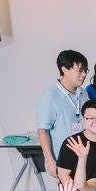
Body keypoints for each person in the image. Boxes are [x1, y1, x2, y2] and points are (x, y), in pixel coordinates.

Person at [37, 49, 89, 180]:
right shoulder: (50, 97)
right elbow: (43, 130)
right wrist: (49, 160)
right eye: (80, 70)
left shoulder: (83, 93)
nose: (84, 75)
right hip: (64, 159)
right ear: (64, 69)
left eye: (85, 70)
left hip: (83, 155)